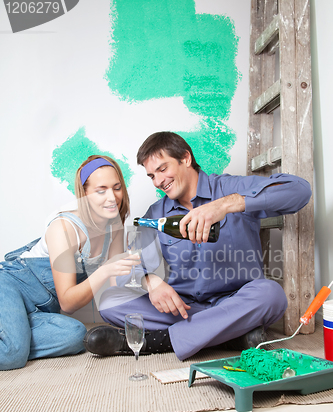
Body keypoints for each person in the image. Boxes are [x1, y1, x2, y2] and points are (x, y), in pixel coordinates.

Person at [84, 132, 312, 361]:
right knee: (110, 301)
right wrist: (151, 282)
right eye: (151, 176)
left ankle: (158, 342)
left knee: (271, 295)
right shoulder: (155, 214)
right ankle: (232, 335)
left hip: (235, 300)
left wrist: (226, 204)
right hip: (182, 308)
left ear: (185, 158)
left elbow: (300, 191)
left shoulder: (230, 187)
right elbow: (129, 269)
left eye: (162, 169)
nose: (158, 181)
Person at [0, 155, 139, 370]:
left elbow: (115, 287)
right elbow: (67, 302)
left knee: (76, 336)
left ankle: (14, 334)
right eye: (101, 190)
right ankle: (13, 341)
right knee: (12, 355)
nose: (112, 197)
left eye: (117, 187)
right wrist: (104, 270)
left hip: (40, 312)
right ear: (84, 194)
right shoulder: (64, 228)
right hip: (8, 287)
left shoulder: (114, 225)